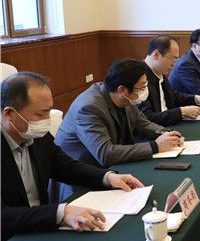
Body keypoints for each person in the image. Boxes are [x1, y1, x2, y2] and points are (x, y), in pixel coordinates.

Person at [1, 72, 144, 241]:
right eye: (40, 114)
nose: (46, 121)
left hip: (40, 229)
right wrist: (61, 212)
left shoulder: (36, 136)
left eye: (49, 111)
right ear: (9, 114)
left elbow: (66, 167)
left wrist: (108, 177)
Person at [55, 59, 184, 169]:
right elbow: (105, 154)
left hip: (112, 169)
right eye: (142, 88)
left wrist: (166, 133)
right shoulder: (89, 108)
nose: (145, 92)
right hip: (83, 174)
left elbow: (142, 123)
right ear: (122, 90)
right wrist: (155, 146)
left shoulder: (123, 98)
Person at [140, 35, 200, 126]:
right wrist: (182, 111)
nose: (173, 65)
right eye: (172, 59)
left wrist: (196, 99)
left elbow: (173, 96)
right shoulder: (139, 78)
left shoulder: (159, 72)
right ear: (156, 55)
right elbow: (147, 118)